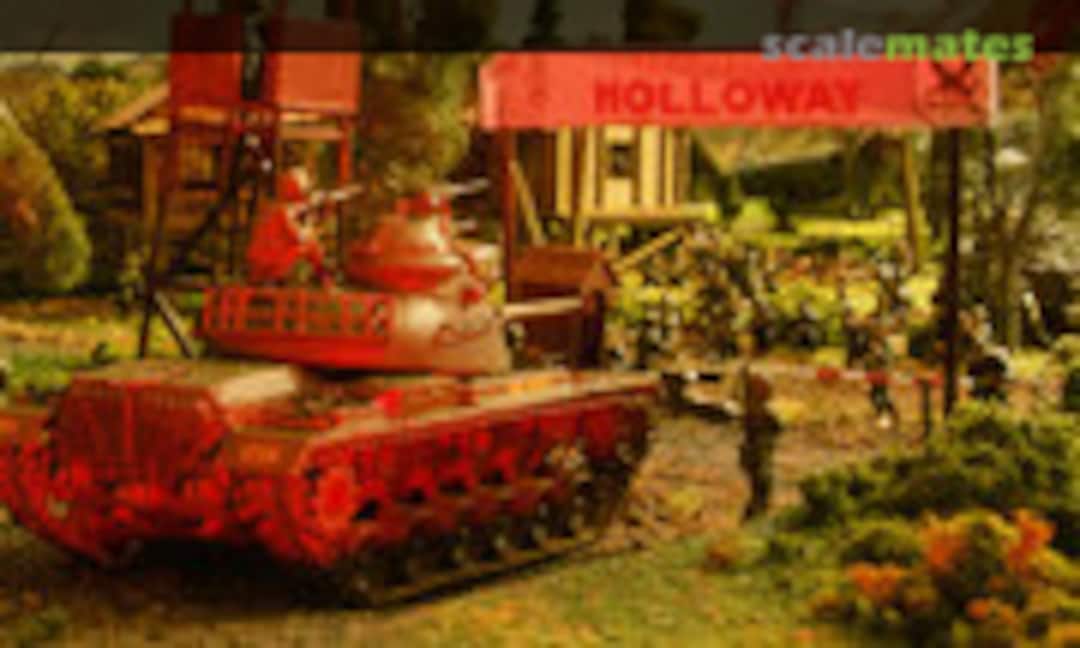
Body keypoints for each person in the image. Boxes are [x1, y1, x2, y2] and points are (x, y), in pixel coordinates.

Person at [246, 167, 333, 287]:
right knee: (313, 247)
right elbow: (300, 237)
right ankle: (326, 283)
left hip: (266, 264)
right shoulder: (285, 212)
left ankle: (325, 281)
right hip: (270, 266)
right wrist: (317, 224)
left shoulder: (280, 209)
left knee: (312, 247)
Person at [739, 371, 783, 522]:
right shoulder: (758, 414)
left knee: (761, 489)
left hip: (756, 454)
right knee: (761, 489)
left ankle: (754, 518)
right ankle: (753, 520)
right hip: (758, 455)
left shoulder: (752, 411)